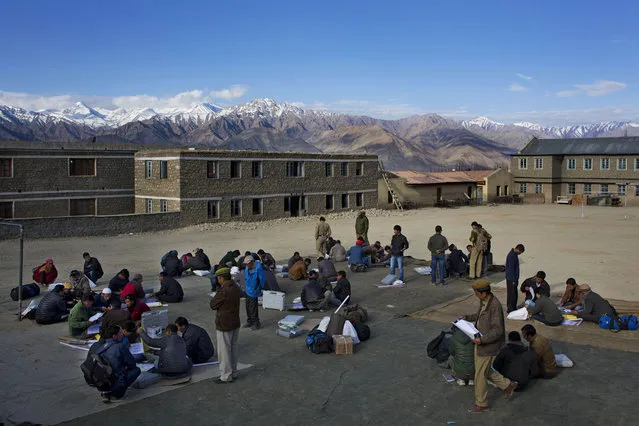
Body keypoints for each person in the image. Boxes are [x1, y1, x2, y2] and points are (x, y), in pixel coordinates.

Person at [462, 280, 518, 413]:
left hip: (488, 345)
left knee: (480, 375)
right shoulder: (484, 302)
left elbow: (497, 330)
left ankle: (481, 403)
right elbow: (478, 317)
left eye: (476, 293)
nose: (475, 295)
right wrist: (466, 317)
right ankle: (508, 385)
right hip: (481, 342)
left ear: (483, 293)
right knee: (485, 371)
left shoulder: (494, 306)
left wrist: (482, 340)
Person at [89, 324, 141, 403]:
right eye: (120, 333)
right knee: (136, 370)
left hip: (100, 379)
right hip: (115, 379)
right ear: (114, 336)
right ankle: (117, 394)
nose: (121, 335)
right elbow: (132, 364)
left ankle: (106, 392)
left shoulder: (99, 345)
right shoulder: (120, 346)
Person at [210, 267, 241, 384]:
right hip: (235, 321)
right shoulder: (235, 287)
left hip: (224, 324)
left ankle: (225, 376)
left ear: (221, 278)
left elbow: (213, 305)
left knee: (224, 352)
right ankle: (234, 372)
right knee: (233, 349)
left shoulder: (224, 290)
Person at [136, 324, 193, 388]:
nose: (165, 334)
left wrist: (141, 332)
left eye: (165, 332)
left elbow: (150, 341)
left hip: (168, 372)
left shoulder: (165, 339)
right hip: (183, 371)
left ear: (168, 332)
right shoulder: (182, 340)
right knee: (186, 359)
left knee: (156, 363)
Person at [243, 256, 264, 330]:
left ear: (252, 262)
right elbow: (246, 278)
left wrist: (259, 289)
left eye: (247, 264)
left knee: (253, 308)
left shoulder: (258, 268)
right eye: (246, 264)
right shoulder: (247, 268)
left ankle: (256, 324)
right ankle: (250, 321)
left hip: (254, 290)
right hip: (248, 290)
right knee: (248, 307)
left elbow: (261, 279)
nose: (246, 265)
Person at [505, 244, 526, 313]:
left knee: (514, 293)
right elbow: (511, 269)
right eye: (520, 252)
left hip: (513, 278)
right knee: (512, 294)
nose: (520, 254)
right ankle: (511, 308)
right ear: (518, 249)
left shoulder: (514, 255)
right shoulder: (512, 256)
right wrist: (514, 280)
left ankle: (513, 307)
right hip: (511, 279)